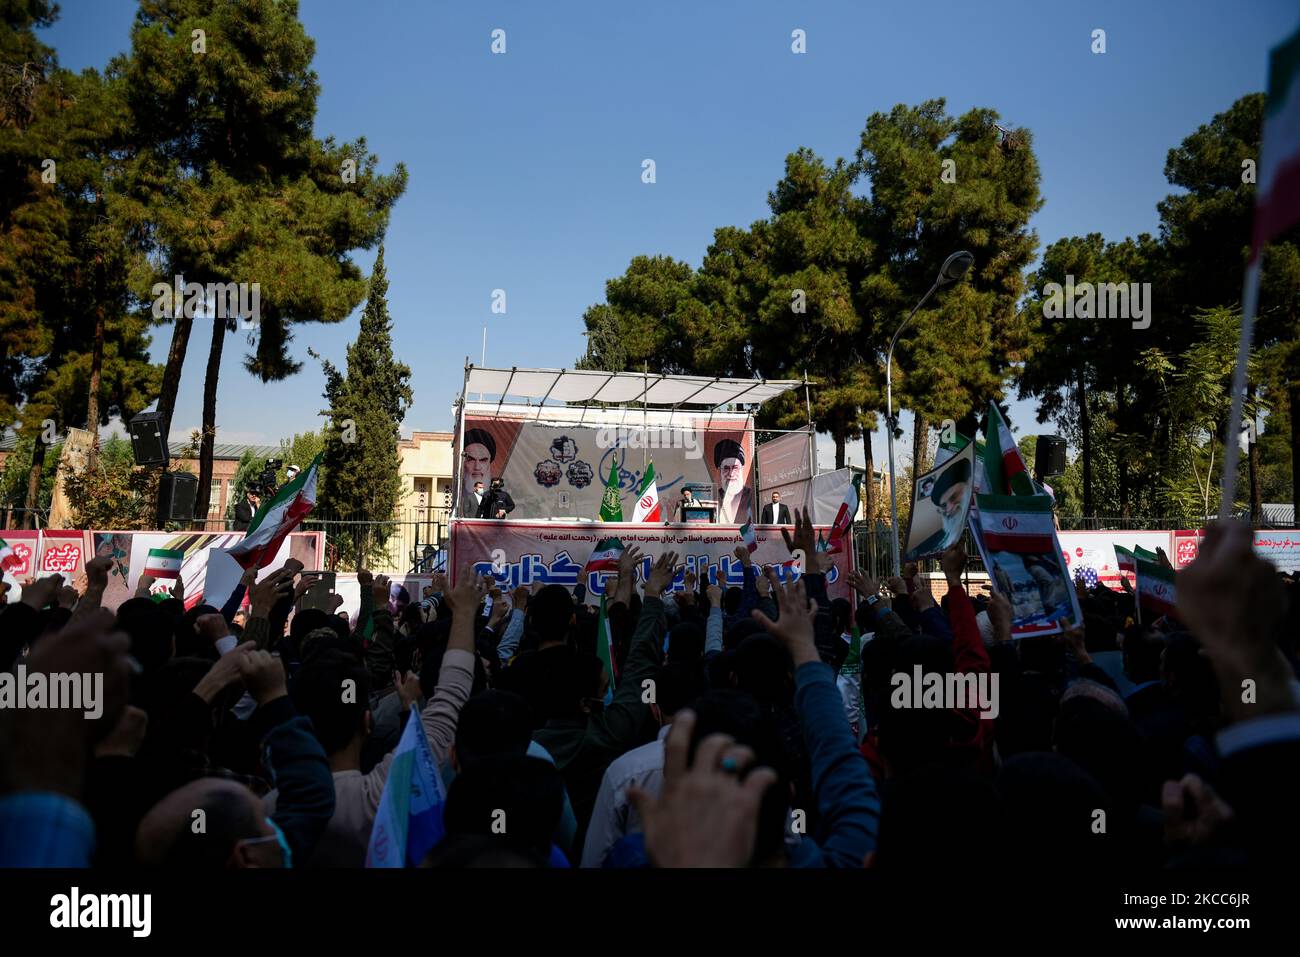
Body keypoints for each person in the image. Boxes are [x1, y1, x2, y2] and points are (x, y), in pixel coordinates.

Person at [713, 438, 752, 524]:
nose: (731, 474)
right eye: (726, 468)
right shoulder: (715, 497)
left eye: (735, 468)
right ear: (720, 471)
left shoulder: (751, 496)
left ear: (742, 468)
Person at [459, 428, 496, 517]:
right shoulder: (462, 498)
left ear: (489, 462)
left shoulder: (493, 497)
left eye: (483, 460)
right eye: (471, 459)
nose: (477, 467)